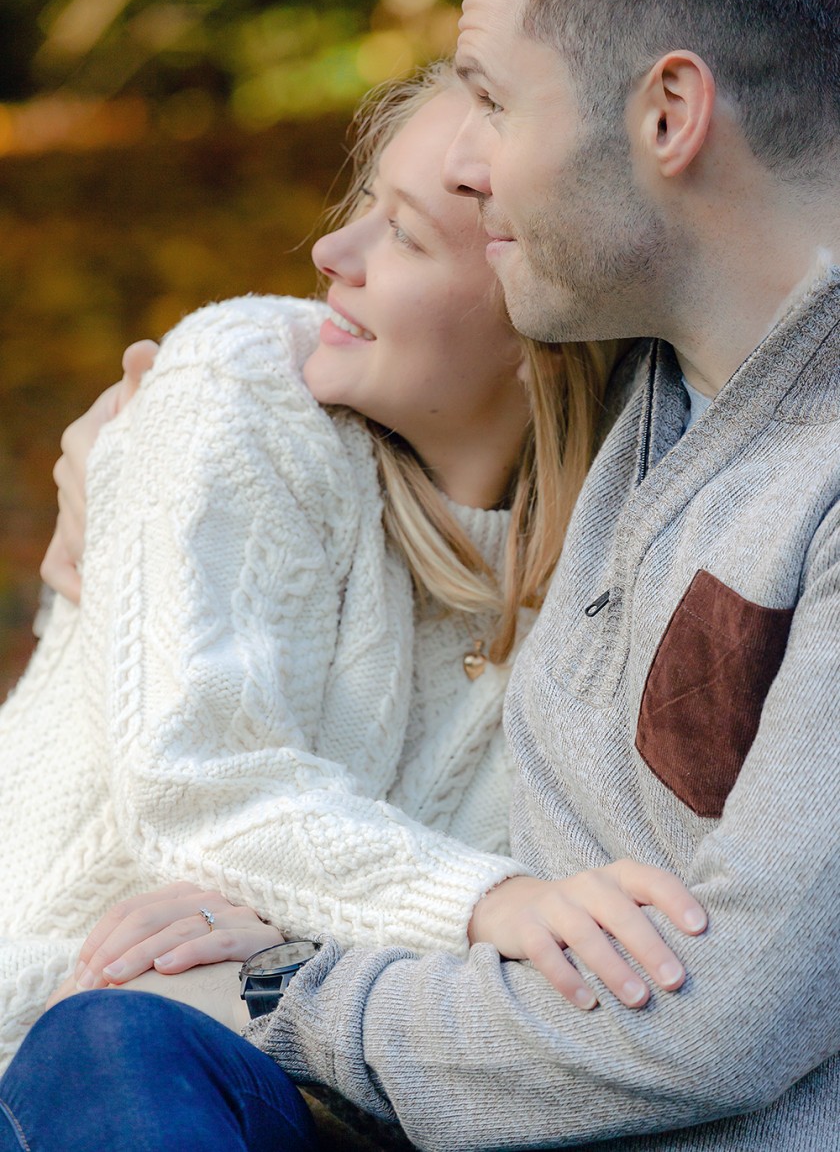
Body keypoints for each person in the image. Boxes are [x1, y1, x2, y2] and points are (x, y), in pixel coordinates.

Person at [4, 0, 838, 1146]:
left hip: (449, 1072)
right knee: (107, 1047)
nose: (480, 160)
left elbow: (714, 1015)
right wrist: (139, 457)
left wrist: (291, 979)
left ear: (669, 115)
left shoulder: (726, 454)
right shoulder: (644, 385)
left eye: (496, 103)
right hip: (234, 1047)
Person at [0, 62, 703, 1085]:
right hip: (54, 1021)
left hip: (339, 1071)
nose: (333, 252)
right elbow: (201, 790)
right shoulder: (239, 386)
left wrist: (286, 926)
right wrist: (483, 903)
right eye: (365, 207)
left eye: (405, 235)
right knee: (119, 1052)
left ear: (539, 316)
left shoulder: (633, 557)